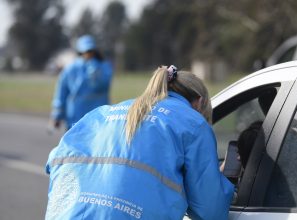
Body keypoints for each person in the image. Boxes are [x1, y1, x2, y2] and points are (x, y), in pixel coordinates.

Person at [45, 65, 234, 220]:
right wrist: (221, 181)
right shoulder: (194, 123)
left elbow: (54, 160)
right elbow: (210, 212)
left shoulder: (102, 112)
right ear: (199, 103)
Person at [50, 35, 112, 130]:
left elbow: (104, 85)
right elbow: (61, 93)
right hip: (75, 117)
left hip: (99, 117)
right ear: (80, 52)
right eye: (86, 51)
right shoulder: (70, 69)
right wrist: (57, 114)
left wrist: (95, 74)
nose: (88, 54)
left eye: (90, 51)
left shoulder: (103, 67)